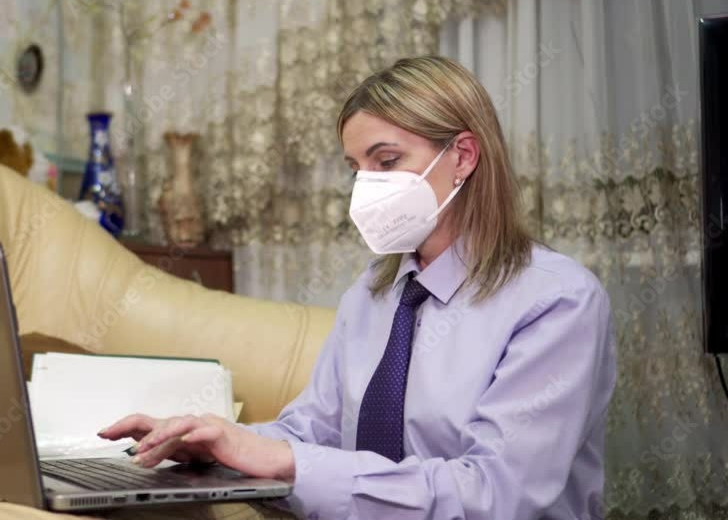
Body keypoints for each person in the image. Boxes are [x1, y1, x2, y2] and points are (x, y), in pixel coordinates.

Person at [98, 56, 616, 520]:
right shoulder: (372, 293)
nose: (366, 187)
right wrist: (212, 441)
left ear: (462, 156)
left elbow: (494, 495)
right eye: (356, 169)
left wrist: (288, 463)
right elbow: (309, 434)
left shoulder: (556, 301)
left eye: (386, 162)